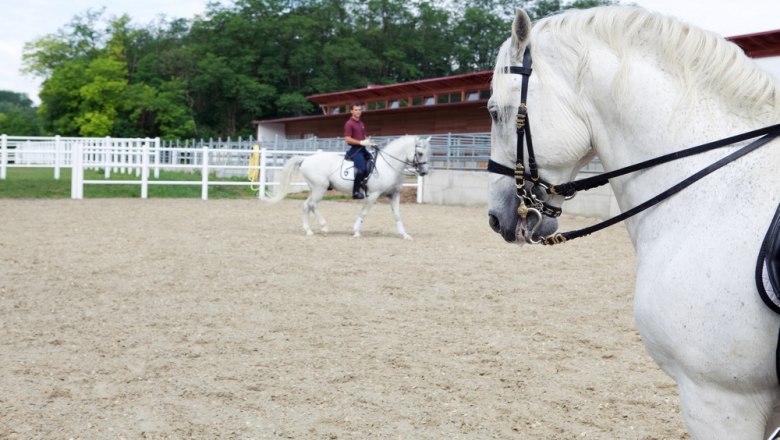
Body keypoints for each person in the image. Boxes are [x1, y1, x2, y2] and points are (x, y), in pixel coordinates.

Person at [344, 104, 375, 199]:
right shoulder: (349, 124)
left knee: (373, 163)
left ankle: (363, 184)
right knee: (361, 170)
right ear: (351, 111)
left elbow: (363, 137)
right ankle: (356, 192)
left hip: (363, 150)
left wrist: (370, 142)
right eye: (356, 110)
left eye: (359, 110)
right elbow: (347, 139)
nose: (358, 111)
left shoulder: (361, 123)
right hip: (355, 151)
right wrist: (360, 142)